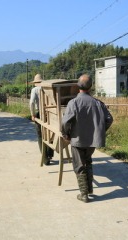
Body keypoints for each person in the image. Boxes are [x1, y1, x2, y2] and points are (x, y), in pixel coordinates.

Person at [61, 74, 113, 203]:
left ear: (78, 86)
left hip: (77, 140)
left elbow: (65, 122)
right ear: (90, 87)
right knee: (88, 161)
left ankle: (84, 194)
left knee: (79, 165)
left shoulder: (73, 103)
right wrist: (99, 131)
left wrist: (66, 134)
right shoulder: (98, 103)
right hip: (91, 141)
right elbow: (109, 119)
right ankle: (89, 189)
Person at [29, 74, 54, 165]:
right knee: (50, 134)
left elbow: (32, 102)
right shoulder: (48, 88)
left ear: (35, 82)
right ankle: (50, 154)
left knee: (40, 136)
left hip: (39, 113)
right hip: (50, 113)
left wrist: (32, 115)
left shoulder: (34, 90)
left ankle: (45, 159)